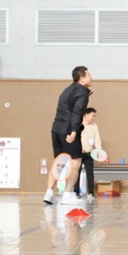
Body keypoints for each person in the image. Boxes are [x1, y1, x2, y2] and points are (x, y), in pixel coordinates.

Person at [47, 65, 92, 209]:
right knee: (76, 162)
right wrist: (73, 131)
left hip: (56, 129)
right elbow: (77, 112)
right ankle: (67, 194)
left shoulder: (67, 90)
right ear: (82, 77)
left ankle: (48, 193)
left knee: (59, 162)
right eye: (89, 74)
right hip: (68, 130)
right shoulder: (81, 92)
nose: (91, 77)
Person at [77, 107, 104, 196]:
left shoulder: (94, 126)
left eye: (94, 116)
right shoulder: (78, 124)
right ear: (86, 115)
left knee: (90, 173)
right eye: (92, 116)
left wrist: (99, 152)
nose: (93, 118)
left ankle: (91, 192)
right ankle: (76, 192)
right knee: (76, 172)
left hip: (89, 152)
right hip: (79, 152)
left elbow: (97, 139)